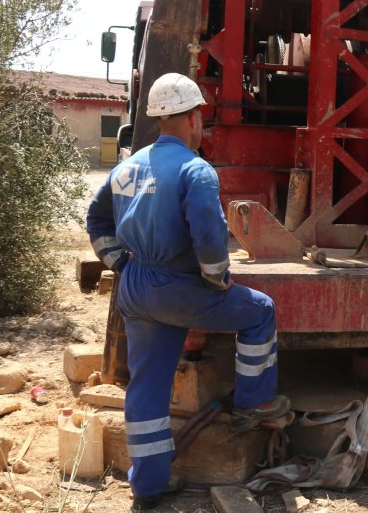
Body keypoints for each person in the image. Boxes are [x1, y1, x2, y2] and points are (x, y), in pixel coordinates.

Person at [86, 72, 290, 510]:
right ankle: (254, 403)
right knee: (260, 313)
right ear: (194, 118)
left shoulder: (127, 166)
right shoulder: (196, 171)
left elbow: (97, 220)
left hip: (136, 289)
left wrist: (119, 262)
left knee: (147, 387)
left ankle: (149, 486)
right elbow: (209, 237)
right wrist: (217, 280)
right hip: (178, 286)